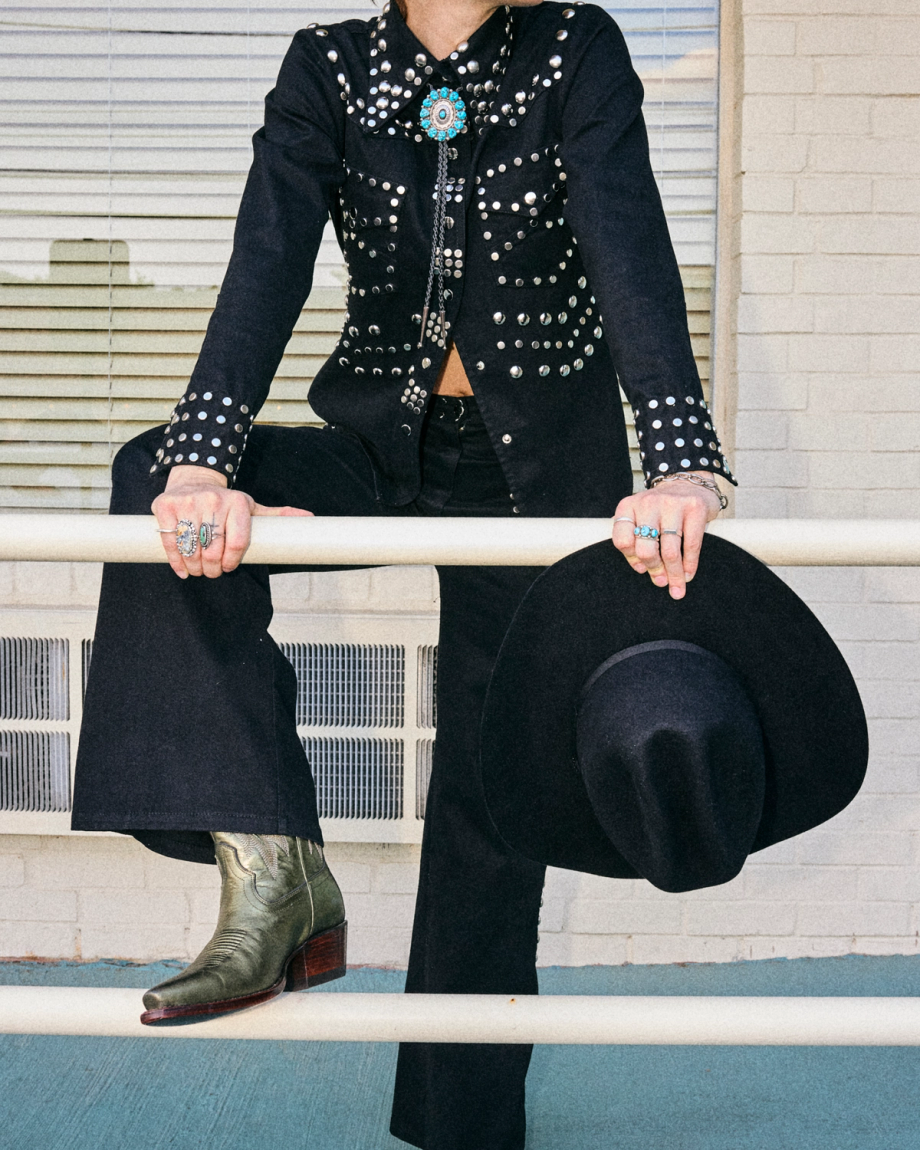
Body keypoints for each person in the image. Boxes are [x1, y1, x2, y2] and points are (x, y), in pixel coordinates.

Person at [71, 0, 733, 1145]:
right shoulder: (327, 65)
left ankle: (458, 1124)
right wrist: (203, 458)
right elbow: (266, 255)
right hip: (383, 450)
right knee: (152, 479)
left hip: (538, 478)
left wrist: (679, 461)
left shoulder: (574, 47)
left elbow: (630, 245)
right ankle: (274, 866)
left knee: (487, 801)